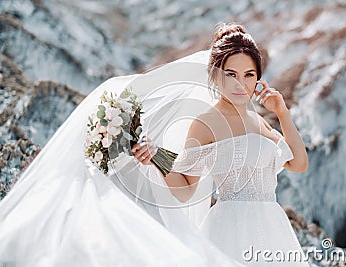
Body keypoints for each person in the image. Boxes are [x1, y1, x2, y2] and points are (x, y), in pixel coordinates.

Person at [132, 23, 309, 266]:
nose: (241, 84)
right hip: (229, 231)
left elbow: (298, 163)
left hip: (273, 228)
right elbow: (185, 188)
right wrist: (156, 158)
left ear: (258, 78)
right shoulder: (204, 124)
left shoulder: (257, 121)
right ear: (215, 76)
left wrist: (282, 112)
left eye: (249, 75)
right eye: (231, 75)